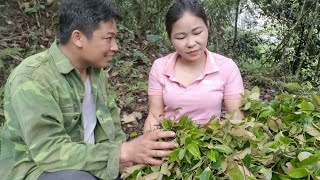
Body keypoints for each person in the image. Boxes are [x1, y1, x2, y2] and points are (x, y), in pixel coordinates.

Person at [0, 0, 177, 180]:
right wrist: (121, 152)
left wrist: (125, 157)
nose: (115, 47)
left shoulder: (96, 72)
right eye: (108, 38)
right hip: (37, 169)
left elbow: (111, 127)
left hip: (90, 161)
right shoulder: (32, 78)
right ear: (78, 38)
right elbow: (50, 152)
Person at [144, 0, 244, 133]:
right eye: (180, 37)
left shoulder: (227, 67)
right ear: (170, 37)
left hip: (212, 142)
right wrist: (149, 144)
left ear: (207, 25)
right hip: (170, 143)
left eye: (197, 33)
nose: (191, 43)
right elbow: (155, 116)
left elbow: (236, 117)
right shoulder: (160, 67)